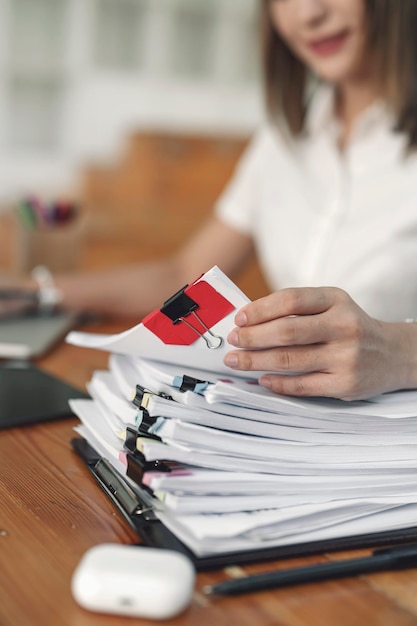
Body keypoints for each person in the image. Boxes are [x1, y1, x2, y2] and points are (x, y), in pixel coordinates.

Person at [4, 0, 417, 401]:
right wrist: (33, 292)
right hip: (287, 422)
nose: (308, 13)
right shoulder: (285, 138)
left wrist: (400, 353)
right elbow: (184, 273)